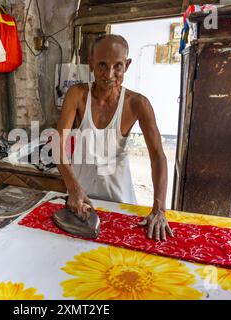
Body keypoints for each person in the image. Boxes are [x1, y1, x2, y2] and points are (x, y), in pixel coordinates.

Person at [56, 34, 174, 241]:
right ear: (91, 64)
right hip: (82, 202)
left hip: (120, 200)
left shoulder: (138, 104)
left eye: (117, 66)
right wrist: (73, 188)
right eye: (102, 65)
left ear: (127, 65)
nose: (109, 74)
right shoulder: (77, 95)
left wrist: (160, 209)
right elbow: (58, 144)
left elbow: (158, 157)